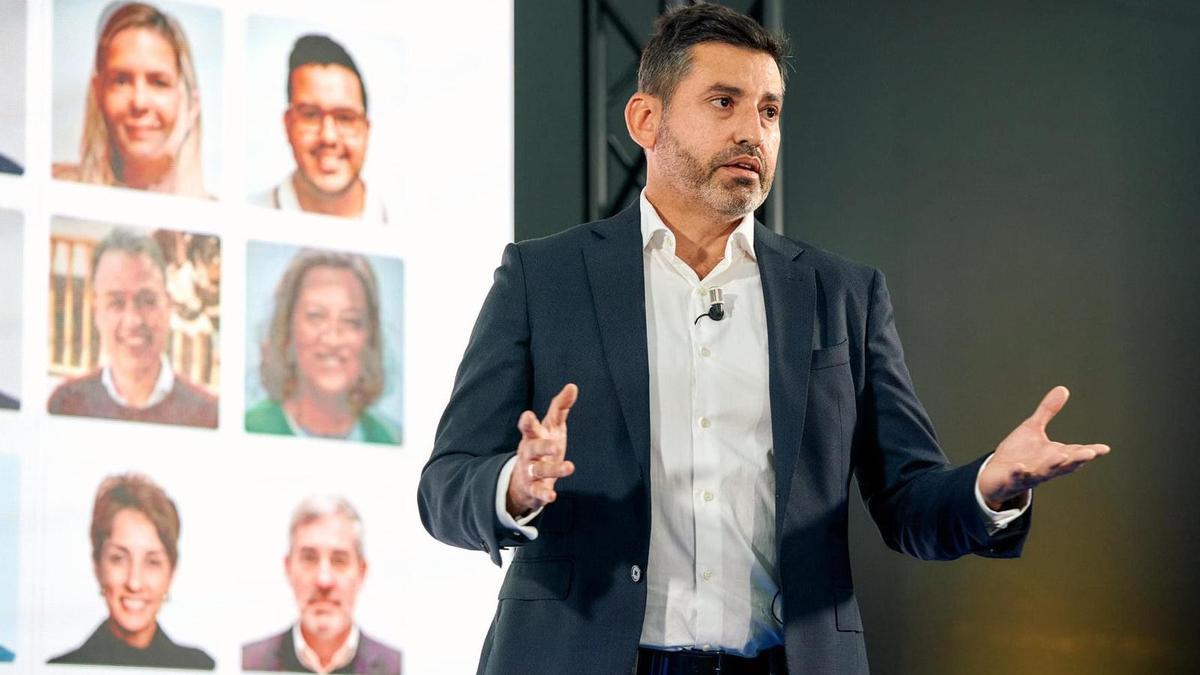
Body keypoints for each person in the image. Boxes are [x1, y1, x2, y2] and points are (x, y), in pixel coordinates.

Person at [417, 5, 1111, 675]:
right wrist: (515, 485)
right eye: (724, 102)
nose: (753, 129)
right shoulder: (545, 277)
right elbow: (444, 485)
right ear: (645, 119)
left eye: (769, 110)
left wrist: (991, 485)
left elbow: (908, 502)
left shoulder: (841, 295)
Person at [47, 228, 218, 428]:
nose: (133, 320)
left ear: (168, 306)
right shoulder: (66, 405)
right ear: (97, 312)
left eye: (147, 301)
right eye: (117, 303)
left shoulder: (209, 414)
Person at [47, 473, 214, 669]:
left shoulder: (199, 667)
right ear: (97, 565)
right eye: (118, 559)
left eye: (152, 562)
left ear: (172, 572)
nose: (134, 583)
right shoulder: (60, 669)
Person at [53, 2, 208, 197]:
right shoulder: (55, 194)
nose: (139, 102)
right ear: (98, 92)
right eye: (121, 81)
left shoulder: (219, 221)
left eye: (159, 83)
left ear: (192, 105)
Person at [246, 249, 399, 444]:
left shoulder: (388, 438)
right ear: (287, 328)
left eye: (350, 321)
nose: (333, 339)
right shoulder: (252, 426)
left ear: (369, 337)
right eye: (316, 316)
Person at [242, 495, 401, 674]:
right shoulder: (248, 662)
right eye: (309, 558)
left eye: (339, 560)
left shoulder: (396, 666)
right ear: (288, 568)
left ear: (361, 572)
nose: (324, 580)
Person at [250, 34, 385, 221]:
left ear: (366, 129)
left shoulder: (408, 227)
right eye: (310, 115)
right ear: (288, 125)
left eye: (345, 118)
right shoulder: (248, 215)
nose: (328, 137)